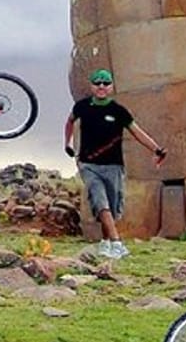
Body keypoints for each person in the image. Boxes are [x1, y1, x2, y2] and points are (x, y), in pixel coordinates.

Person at [63, 68, 166, 259]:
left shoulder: (118, 111)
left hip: (113, 165)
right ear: (91, 85)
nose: (101, 86)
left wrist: (156, 149)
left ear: (111, 86)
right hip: (89, 165)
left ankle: (105, 242)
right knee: (100, 201)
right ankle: (117, 243)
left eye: (106, 83)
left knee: (112, 205)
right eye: (97, 83)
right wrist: (67, 143)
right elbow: (69, 122)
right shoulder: (82, 107)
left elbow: (137, 132)